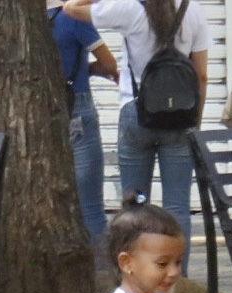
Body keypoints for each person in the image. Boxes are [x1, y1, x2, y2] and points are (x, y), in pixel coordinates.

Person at [62, 0, 209, 270]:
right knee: (178, 206)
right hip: (180, 118)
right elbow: (201, 75)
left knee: (134, 205)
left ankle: (136, 276)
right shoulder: (193, 10)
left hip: (136, 112)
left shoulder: (131, 8)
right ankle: (176, 277)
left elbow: (71, 7)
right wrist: (194, 124)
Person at [49, 0, 117, 256]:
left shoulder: (38, 23)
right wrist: (85, 70)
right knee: (91, 206)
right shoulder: (73, 18)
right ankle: (101, 268)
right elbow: (109, 64)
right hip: (77, 105)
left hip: (48, 109)